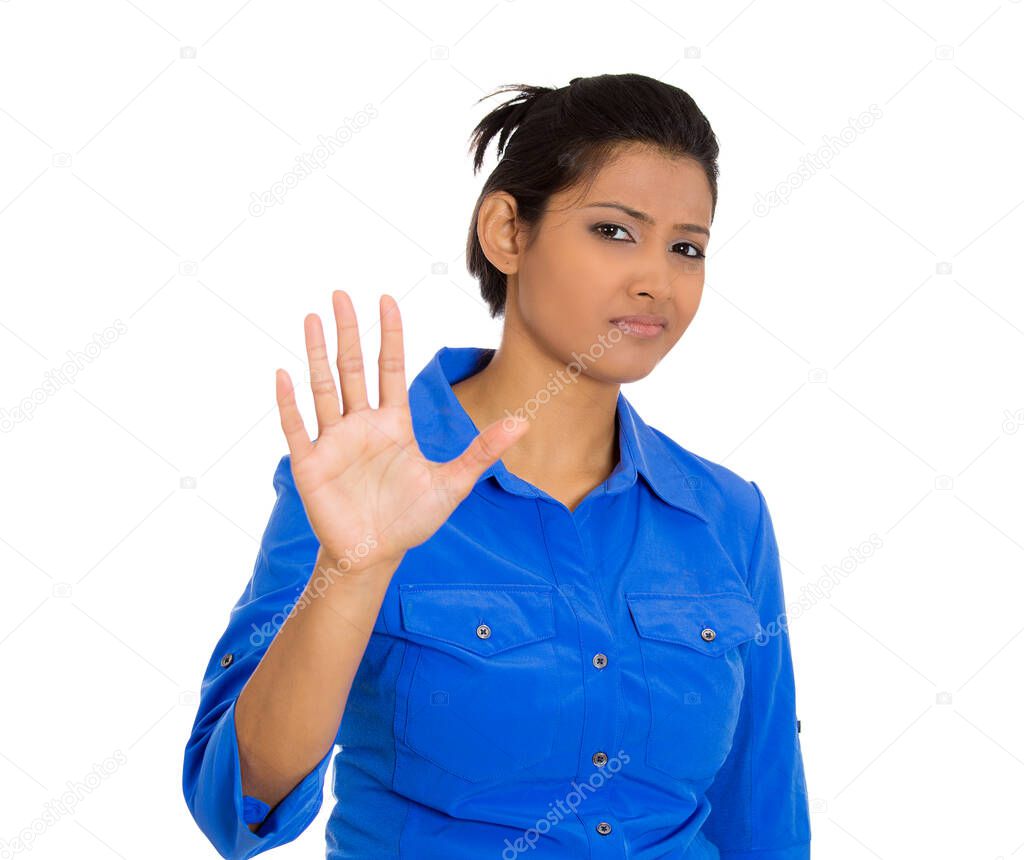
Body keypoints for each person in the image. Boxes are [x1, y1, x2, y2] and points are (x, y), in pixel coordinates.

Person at [181, 73, 811, 859]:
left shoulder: (728, 516)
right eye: (615, 231)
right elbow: (237, 801)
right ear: (507, 231)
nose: (657, 279)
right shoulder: (364, 479)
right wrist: (354, 569)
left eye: (687, 247)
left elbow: (763, 819)